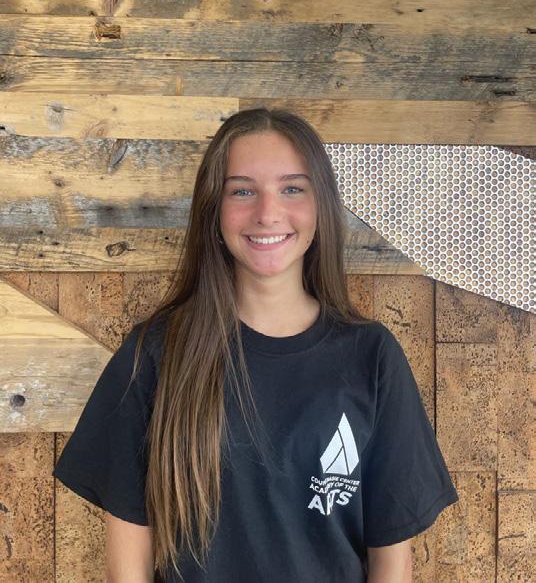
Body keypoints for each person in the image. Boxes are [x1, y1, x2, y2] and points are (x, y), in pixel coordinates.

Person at [53, 107, 458, 582]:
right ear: (214, 211)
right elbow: (128, 566)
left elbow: (391, 561)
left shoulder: (371, 357)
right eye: (243, 191)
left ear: (321, 206)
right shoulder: (155, 354)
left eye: (292, 188)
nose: (268, 213)